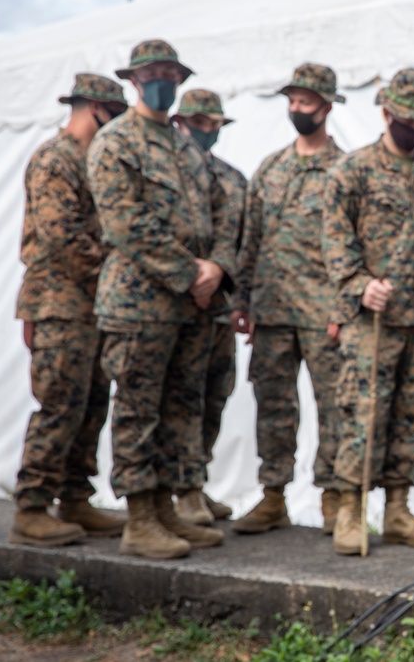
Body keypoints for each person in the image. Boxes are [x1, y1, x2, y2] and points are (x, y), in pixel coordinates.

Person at [88, 39, 238, 559]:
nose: (164, 82)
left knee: (181, 408)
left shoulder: (182, 145)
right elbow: (126, 222)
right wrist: (189, 273)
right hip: (139, 305)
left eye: (171, 74)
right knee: (138, 409)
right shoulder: (115, 141)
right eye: (154, 73)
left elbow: (223, 212)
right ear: (133, 80)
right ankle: (140, 516)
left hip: (191, 307)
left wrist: (216, 268)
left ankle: (168, 507)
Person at [322, 67, 414, 556]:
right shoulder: (352, 170)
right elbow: (335, 239)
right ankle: (350, 509)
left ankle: (397, 509)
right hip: (372, 319)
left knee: (413, 416)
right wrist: (359, 285)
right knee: (363, 412)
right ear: (386, 114)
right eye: (408, 118)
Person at [9, 73, 129, 548]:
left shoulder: (93, 159)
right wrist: (116, 270)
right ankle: (32, 506)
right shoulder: (55, 159)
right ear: (93, 108)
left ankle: (75, 496)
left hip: (93, 306)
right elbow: (63, 235)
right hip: (59, 304)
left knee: (92, 404)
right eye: (113, 114)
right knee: (60, 404)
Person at [230, 63, 346, 535]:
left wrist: (344, 308)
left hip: (325, 315)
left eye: (305, 101)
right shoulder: (270, 168)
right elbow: (249, 239)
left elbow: (354, 245)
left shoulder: (346, 169)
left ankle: (334, 499)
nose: (296, 108)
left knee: (335, 408)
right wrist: (241, 302)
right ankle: (272, 495)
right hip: (272, 312)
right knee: (274, 407)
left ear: (326, 105)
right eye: (292, 100)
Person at [171, 89, 247, 525]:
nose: (205, 130)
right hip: (179, 306)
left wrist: (220, 272)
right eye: (198, 122)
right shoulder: (171, 173)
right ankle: (179, 490)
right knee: (181, 399)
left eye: (212, 123)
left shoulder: (233, 179)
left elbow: (243, 239)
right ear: (181, 121)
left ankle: (195, 482)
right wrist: (194, 275)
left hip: (218, 308)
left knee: (214, 395)